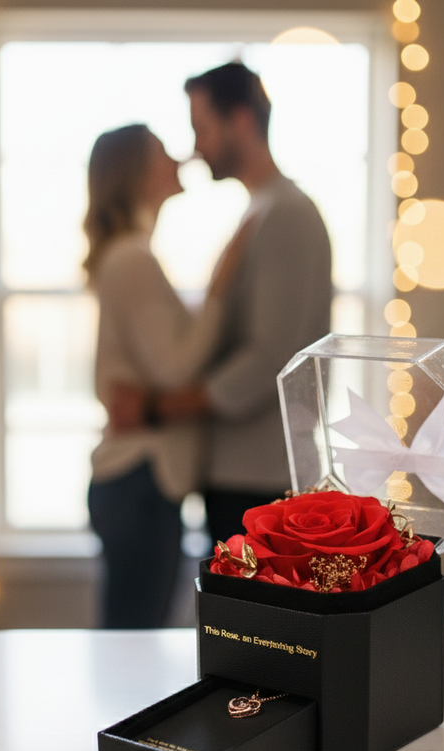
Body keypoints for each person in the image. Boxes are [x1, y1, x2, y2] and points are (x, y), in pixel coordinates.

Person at [122, 62, 333, 546]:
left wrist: (157, 408)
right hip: (241, 474)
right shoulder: (262, 210)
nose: (195, 147)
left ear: (240, 120)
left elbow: (269, 361)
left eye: (201, 128)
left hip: (260, 481)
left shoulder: (287, 215)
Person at [84, 124, 244, 629]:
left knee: (132, 636)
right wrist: (220, 290)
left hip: (139, 484)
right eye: (160, 152)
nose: (176, 158)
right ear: (134, 172)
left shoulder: (131, 255)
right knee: (133, 642)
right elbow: (174, 367)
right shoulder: (132, 258)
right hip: (140, 482)